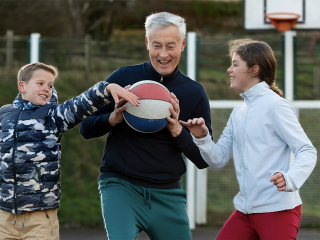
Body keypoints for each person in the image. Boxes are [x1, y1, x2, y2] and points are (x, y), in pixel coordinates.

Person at [80, 12, 212, 240]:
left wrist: (177, 131)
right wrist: (112, 119)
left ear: (182, 44)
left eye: (170, 46)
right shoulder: (123, 77)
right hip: (121, 185)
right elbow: (85, 128)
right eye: (156, 45)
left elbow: (202, 160)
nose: (163, 54)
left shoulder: (194, 92)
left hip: (168, 193)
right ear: (146, 43)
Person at [180, 39, 317, 240]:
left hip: (278, 211)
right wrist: (202, 137)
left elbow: (307, 150)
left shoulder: (276, 106)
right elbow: (217, 160)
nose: (229, 70)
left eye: (235, 64)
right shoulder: (238, 112)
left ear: (254, 70)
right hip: (245, 213)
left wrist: (290, 178)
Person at [0, 62, 139, 240]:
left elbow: (79, 105)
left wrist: (106, 89)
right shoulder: (4, 114)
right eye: (40, 83)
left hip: (40, 217)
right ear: (22, 86)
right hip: (5, 216)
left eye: (50, 85)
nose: (46, 88)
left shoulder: (52, 116)